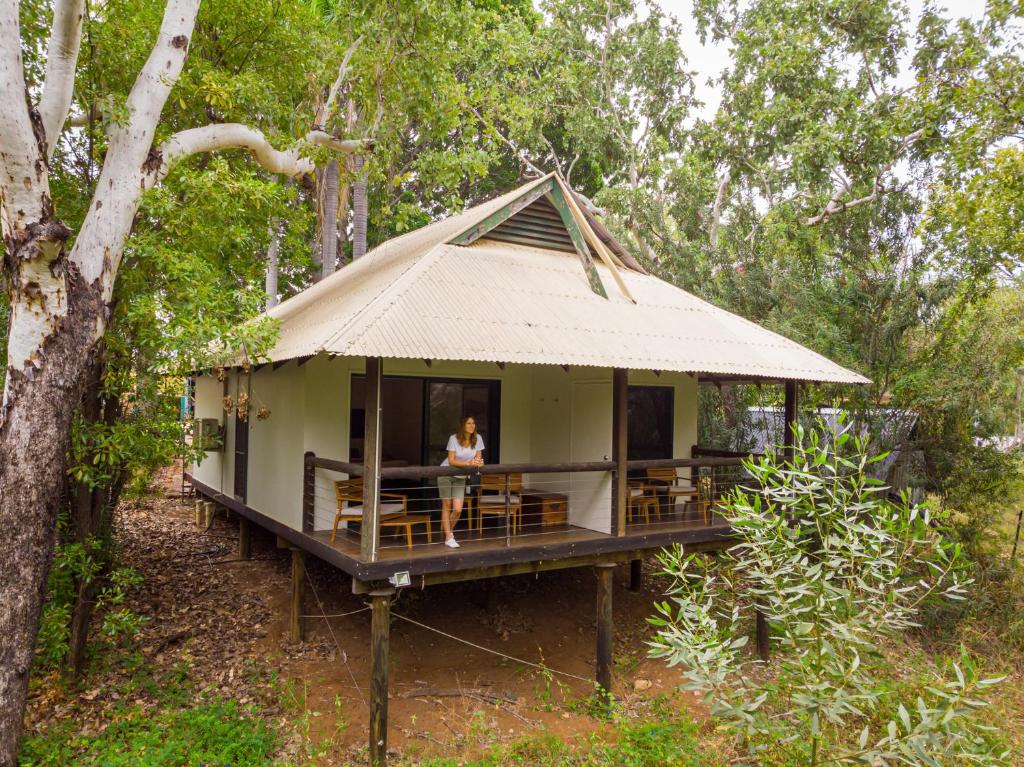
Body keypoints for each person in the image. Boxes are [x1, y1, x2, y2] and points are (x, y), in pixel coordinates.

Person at [437, 416, 484, 548]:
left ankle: (448, 532)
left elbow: (478, 458)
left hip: (461, 476)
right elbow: (451, 460)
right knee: (447, 504)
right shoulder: (454, 439)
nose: (472, 425)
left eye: (473, 423)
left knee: (457, 509)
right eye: (468, 423)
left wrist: (479, 462)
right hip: (446, 473)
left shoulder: (478, 438)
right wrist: (468, 463)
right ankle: (448, 537)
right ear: (463, 425)